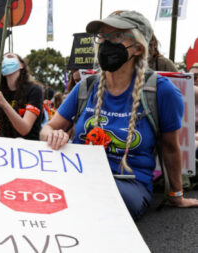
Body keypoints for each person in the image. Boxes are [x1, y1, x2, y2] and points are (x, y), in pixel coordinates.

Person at [40, 10, 198, 220]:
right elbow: (47, 128)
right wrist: (52, 135)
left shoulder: (162, 91)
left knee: (92, 201)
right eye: (103, 37)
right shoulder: (86, 86)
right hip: (79, 176)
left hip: (128, 183)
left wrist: (176, 195)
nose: (106, 43)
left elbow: (170, 147)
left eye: (116, 36)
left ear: (139, 47)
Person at [0, 52, 43, 140]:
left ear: (21, 65)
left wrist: (4, 104)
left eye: (10, 57)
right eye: (2, 59)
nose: (5, 60)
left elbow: (24, 129)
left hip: (28, 146)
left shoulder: (34, 90)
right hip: (4, 146)